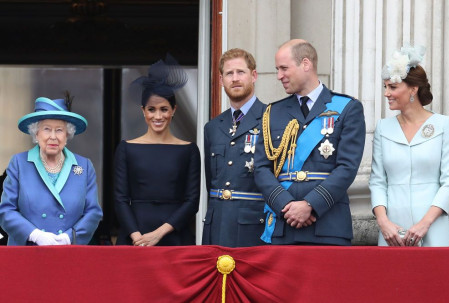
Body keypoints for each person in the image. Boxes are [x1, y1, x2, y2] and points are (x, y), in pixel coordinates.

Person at [254, 39, 366, 245]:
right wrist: (285, 204)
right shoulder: (272, 113)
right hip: (283, 223)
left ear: (306, 64)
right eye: (277, 69)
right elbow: (261, 168)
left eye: (284, 68)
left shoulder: (348, 108)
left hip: (328, 225)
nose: (279, 76)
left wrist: (310, 204)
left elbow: (347, 168)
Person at [370, 45, 449, 247]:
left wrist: (424, 224)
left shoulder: (443, 125)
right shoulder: (383, 128)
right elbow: (377, 181)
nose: (386, 93)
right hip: (392, 231)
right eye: (385, 87)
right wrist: (383, 222)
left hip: (433, 227)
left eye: (392, 87)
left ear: (413, 89)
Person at [114, 56, 200, 246]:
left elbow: (192, 201)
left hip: (175, 236)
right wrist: (137, 237)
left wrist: (158, 234)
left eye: (164, 109)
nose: (158, 116)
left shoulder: (189, 150)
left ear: (174, 110)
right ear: (143, 111)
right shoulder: (126, 148)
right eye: (152, 110)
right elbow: (120, 199)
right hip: (134, 238)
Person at [0, 96, 103, 245]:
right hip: (27, 252)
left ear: (67, 135)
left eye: (59, 130)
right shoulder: (19, 163)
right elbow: (6, 211)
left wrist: (69, 237)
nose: (53, 137)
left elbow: (93, 213)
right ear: (36, 133)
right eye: (46, 129)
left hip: (69, 252)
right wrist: (35, 235)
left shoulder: (84, 166)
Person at [202, 48, 267, 247]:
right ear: (221, 80)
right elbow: (210, 183)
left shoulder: (270, 119)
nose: (235, 78)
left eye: (241, 72)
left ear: (253, 75)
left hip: (253, 226)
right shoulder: (213, 127)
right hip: (217, 225)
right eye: (229, 74)